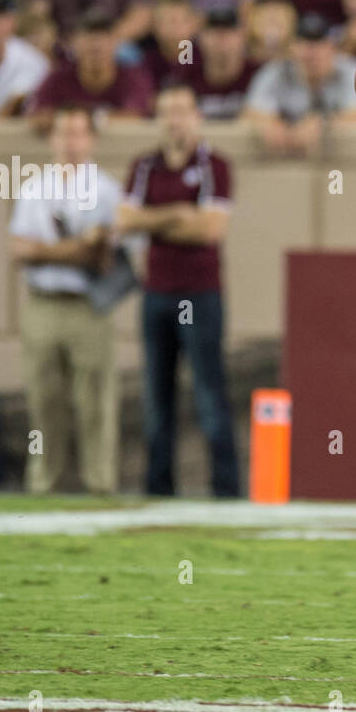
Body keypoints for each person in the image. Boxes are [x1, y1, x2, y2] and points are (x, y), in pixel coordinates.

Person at [117, 81, 239, 498]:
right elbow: (125, 221)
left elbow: (209, 228)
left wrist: (154, 219)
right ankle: (158, 491)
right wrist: (179, 214)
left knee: (208, 395)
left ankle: (225, 492)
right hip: (156, 293)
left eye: (182, 110)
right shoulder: (144, 166)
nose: (175, 120)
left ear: (197, 116)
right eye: (167, 111)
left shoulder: (214, 165)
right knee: (156, 399)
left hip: (201, 294)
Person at [8, 104, 123, 494]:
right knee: (43, 399)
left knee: (95, 401)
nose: (70, 142)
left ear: (90, 139)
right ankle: (44, 482)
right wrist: (76, 248)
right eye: (64, 133)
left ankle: (99, 482)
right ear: (52, 138)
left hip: (88, 304)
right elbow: (20, 250)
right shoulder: (33, 187)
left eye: (78, 133)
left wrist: (49, 250)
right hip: (43, 301)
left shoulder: (106, 189)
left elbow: (105, 256)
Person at [243, 11, 356, 156]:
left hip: (341, 163)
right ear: (292, 47)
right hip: (283, 161)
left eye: (319, 44)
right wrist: (270, 123)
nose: (312, 53)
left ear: (332, 47)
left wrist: (323, 124)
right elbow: (250, 112)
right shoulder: (276, 72)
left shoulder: (351, 71)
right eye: (305, 44)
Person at [27, 8, 155, 131]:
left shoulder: (134, 78)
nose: (96, 46)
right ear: (73, 44)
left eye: (103, 39)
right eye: (88, 40)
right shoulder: (57, 78)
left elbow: (137, 116)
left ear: (115, 43)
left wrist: (85, 120)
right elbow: (38, 116)